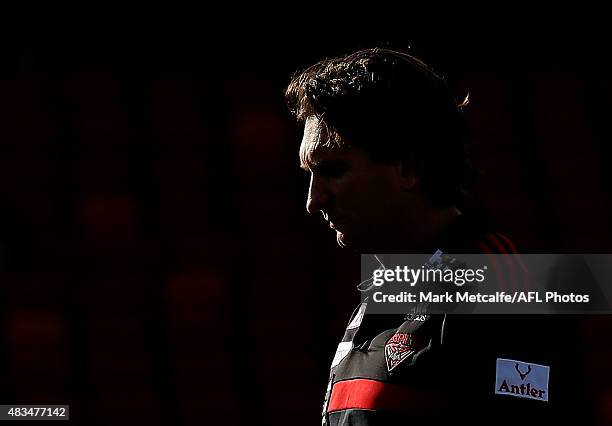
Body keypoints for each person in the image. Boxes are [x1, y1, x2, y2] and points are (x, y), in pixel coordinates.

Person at [285, 48, 589, 425]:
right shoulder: (383, 290)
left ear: (409, 167)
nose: (314, 201)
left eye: (332, 170)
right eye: (310, 175)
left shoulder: (502, 293)